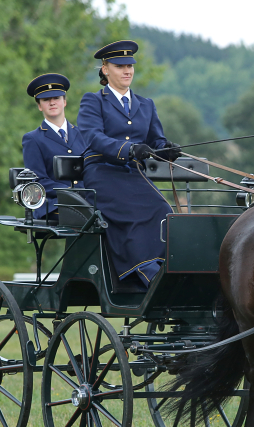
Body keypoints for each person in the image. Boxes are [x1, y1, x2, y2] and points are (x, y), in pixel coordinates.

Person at [76, 40, 182, 289]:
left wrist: (166, 149)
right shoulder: (93, 101)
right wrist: (128, 149)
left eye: (130, 66)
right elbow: (93, 137)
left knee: (162, 210)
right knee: (129, 212)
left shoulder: (146, 105)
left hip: (134, 175)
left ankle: (165, 268)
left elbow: (155, 140)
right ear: (105, 69)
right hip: (102, 172)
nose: (127, 71)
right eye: (120, 66)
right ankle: (144, 269)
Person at [22, 73, 87, 221]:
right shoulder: (33, 139)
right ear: (39, 106)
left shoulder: (84, 134)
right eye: (46, 100)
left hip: (88, 201)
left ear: (64, 101)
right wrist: (71, 192)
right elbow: (38, 181)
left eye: (56, 98)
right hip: (55, 204)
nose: (52, 103)